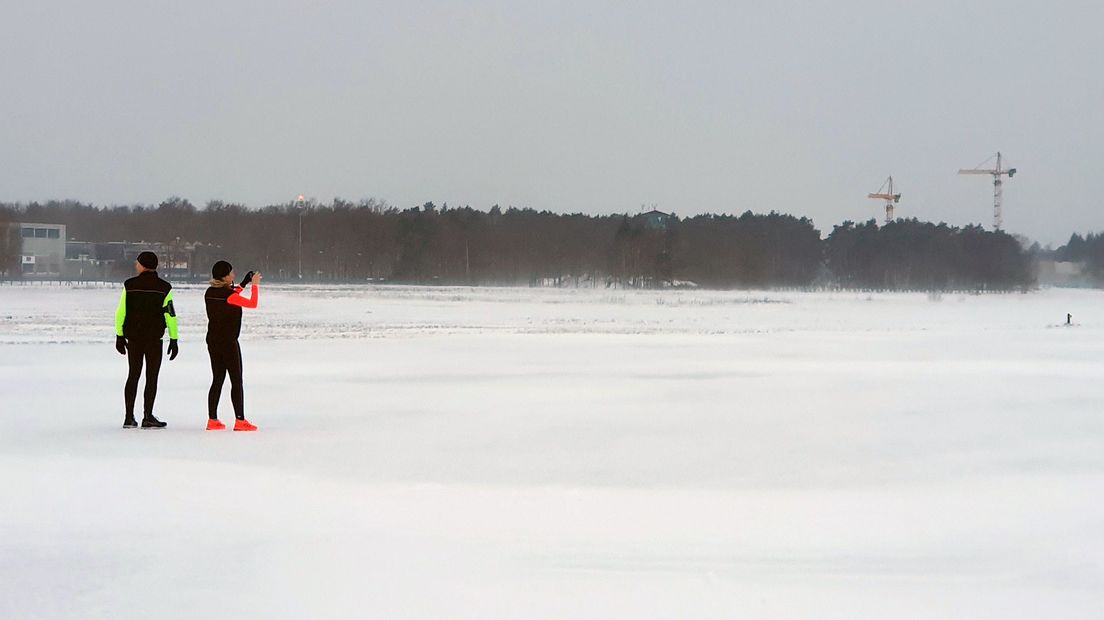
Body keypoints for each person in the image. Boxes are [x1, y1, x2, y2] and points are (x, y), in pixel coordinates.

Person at [115, 251, 179, 428]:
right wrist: (174, 339)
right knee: (152, 377)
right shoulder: (164, 288)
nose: (136, 265)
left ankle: (129, 417)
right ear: (155, 266)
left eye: (137, 263)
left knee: (133, 375)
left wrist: (119, 335)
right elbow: (171, 315)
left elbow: (121, 312)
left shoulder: (129, 285)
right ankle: (148, 416)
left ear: (142, 265)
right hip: (154, 339)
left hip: (134, 338)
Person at [204, 260, 261, 431]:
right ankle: (240, 420)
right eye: (231, 273)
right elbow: (252, 303)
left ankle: (212, 419)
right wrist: (255, 286)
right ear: (225, 276)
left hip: (213, 341)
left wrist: (244, 282)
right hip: (228, 342)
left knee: (217, 379)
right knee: (236, 380)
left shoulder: (210, 292)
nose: (233, 275)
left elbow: (231, 293)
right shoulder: (229, 296)